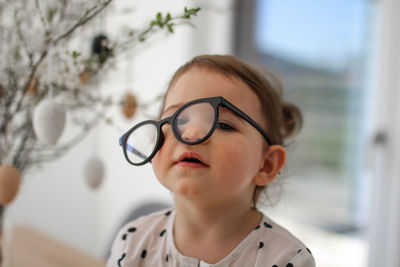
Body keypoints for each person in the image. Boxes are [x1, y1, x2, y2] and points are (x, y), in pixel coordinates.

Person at [107, 55, 315, 267]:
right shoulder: (132, 241)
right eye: (179, 120)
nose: (191, 133)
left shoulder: (287, 260)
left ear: (267, 164)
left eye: (224, 124)